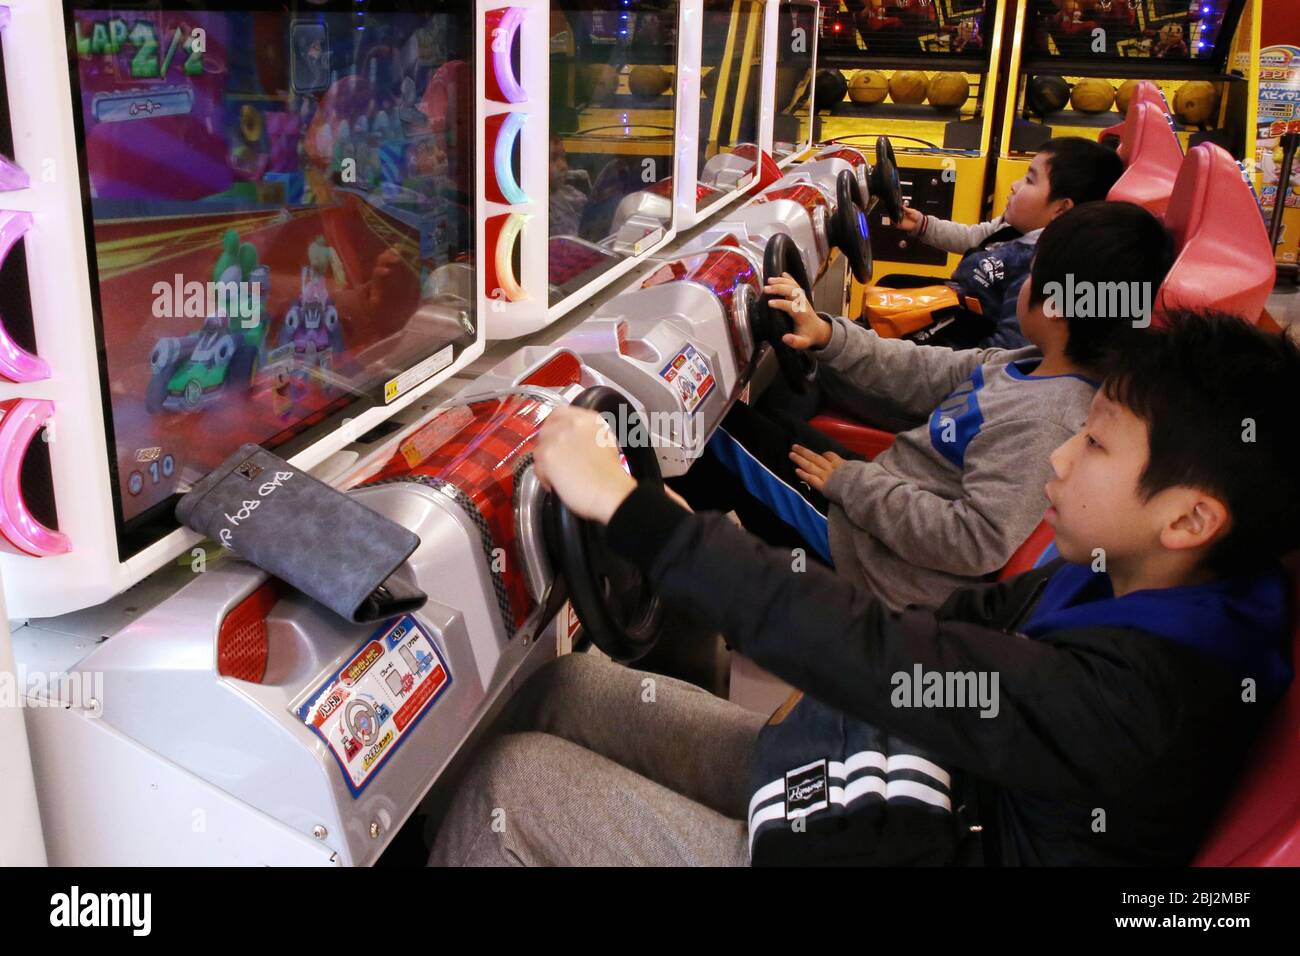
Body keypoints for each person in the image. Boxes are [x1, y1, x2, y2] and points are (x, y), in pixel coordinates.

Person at [430, 309, 1298, 867]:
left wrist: (633, 513)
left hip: (921, 838)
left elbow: (894, 660)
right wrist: (803, 662)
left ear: (1190, 519)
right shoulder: (1124, 578)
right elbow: (936, 631)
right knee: (569, 685)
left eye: (1098, 444)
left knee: (511, 784)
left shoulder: (1142, 696)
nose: (1063, 458)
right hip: (908, 794)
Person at [673, 201, 1175, 611]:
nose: (1020, 285)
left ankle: (664, 568)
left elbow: (972, 541)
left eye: (1033, 274)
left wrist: (853, 484)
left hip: (873, 559)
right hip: (878, 499)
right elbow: (920, 370)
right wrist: (827, 335)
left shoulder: (1048, 418)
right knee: (757, 428)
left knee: (705, 431)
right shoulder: (1027, 362)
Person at [883, 136, 1124, 349]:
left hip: (962, 337)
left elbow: (1005, 349)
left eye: (1029, 180)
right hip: (954, 301)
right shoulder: (1011, 229)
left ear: (1061, 209)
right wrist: (922, 225)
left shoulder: (1039, 267)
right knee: (890, 283)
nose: (1014, 185)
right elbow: (973, 236)